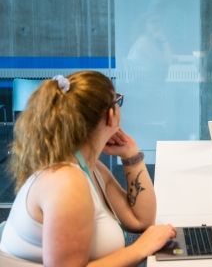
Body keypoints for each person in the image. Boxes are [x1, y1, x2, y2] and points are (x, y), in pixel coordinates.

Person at [0, 71, 176, 265]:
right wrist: (140, 248)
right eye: (118, 100)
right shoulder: (66, 181)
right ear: (110, 114)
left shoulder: (88, 167)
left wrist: (131, 155)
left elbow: (140, 220)